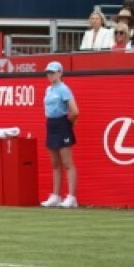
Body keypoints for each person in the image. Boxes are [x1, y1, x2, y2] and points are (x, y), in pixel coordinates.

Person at [39, 61, 79, 209]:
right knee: (55, 164)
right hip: (51, 124)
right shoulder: (48, 90)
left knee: (67, 163)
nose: (50, 75)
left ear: (60, 73)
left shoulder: (64, 89)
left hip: (62, 124)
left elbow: (74, 111)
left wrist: (69, 123)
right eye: (48, 72)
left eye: (53, 72)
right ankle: (56, 196)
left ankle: (71, 197)